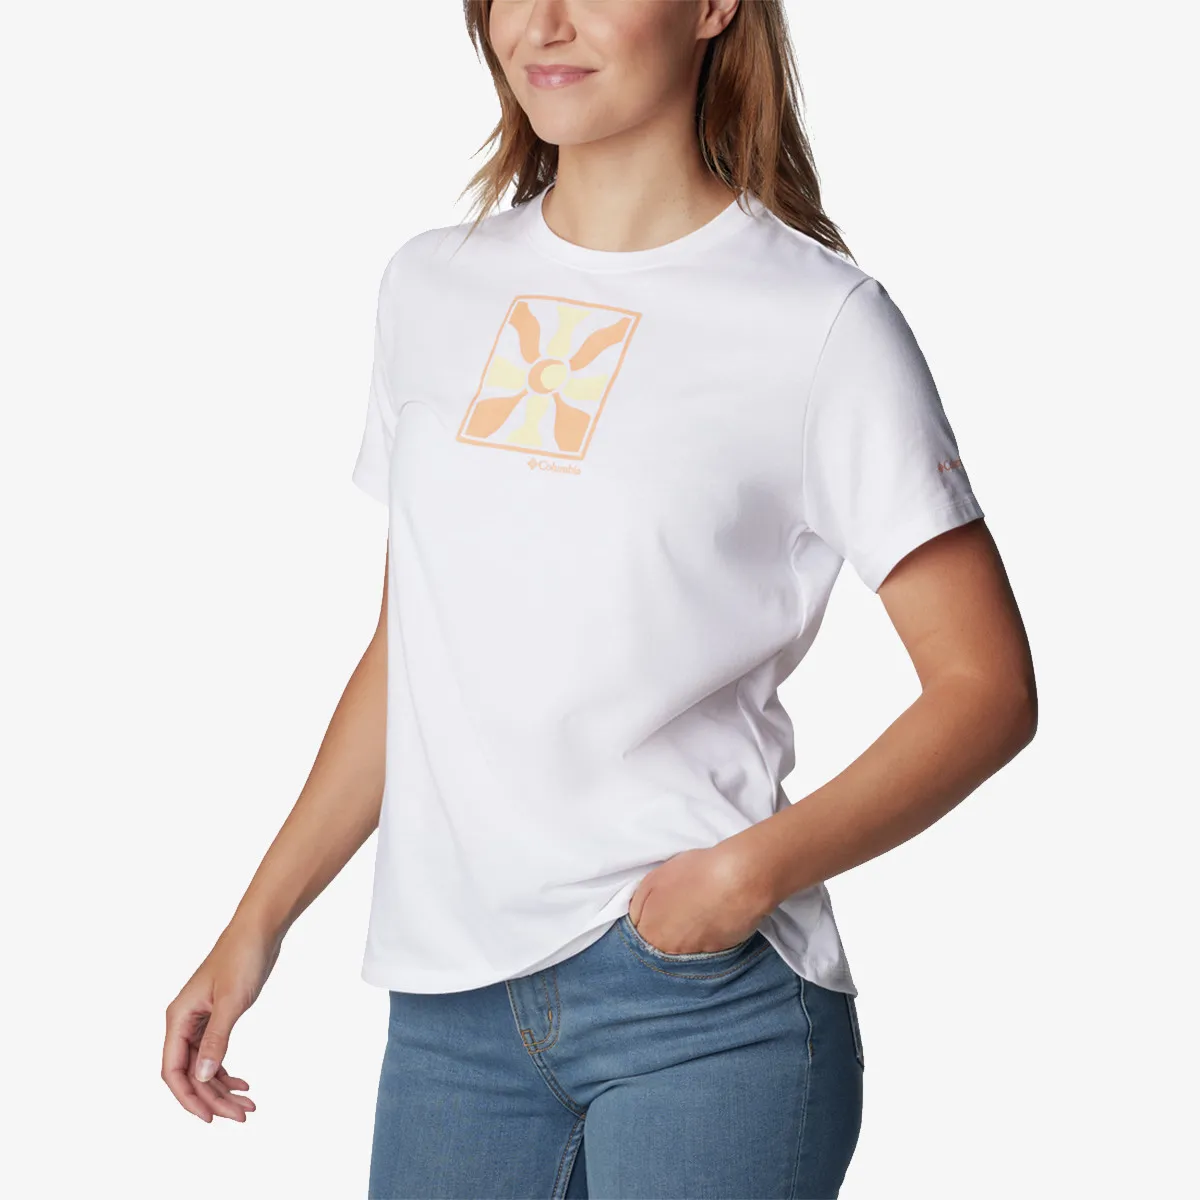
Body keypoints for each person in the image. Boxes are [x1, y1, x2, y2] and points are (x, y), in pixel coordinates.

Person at [162, 2, 1038, 1196]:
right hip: (449, 1011)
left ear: (713, 8)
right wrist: (254, 925)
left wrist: (742, 877)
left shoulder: (818, 323)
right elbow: (415, 650)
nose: (545, 22)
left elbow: (985, 687)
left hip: (700, 1012)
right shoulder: (431, 287)